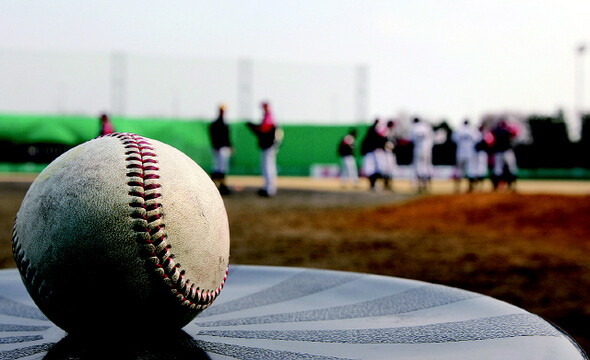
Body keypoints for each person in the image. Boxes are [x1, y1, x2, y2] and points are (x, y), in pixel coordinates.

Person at [247, 102, 279, 197]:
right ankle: (267, 187)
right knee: (266, 167)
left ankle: (269, 189)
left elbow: (263, 129)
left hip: (268, 146)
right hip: (266, 146)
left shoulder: (269, 117)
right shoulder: (267, 117)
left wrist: (253, 127)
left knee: (268, 167)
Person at [451, 119, 481, 192]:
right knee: (471, 171)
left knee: (459, 171)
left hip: (460, 153)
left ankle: (457, 188)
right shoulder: (473, 130)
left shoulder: (458, 129)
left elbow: (453, 139)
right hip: (470, 153)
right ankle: (471, 187)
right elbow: (479, 139)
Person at [209, 104, 232, 195]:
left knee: (221, 167)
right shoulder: (217, 124)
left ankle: (220, 185)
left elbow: (227, 137)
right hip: (219, 148)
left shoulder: (223, 124)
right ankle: (217, 185)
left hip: (223, 147)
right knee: (219, 167)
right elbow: (213, 135)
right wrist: (215, 145)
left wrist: (230, 146)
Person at [490, 119, 519, 190]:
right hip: (507, 152)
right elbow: (514, 134)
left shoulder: (494, 131)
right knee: (511, 168)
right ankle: (512, 186)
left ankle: (496, 186)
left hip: (498, 152)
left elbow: (490, 141)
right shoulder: (507, 130)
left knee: (498, 169)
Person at [408, 117, 434, 193]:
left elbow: (410, 140)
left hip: (418, 150)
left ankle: (420, 186)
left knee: (418, 167)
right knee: (427, 166)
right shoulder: (427, 127)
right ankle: (427, 185)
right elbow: (432, 138)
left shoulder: (413, 128)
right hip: (427, 150)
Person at [360, 119, 386, 191]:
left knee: (377, 170)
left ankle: (374, 184)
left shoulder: (377, 134)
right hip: (370, 153)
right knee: (370, 170)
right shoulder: (371, 133)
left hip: (376, 152)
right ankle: (372, 184)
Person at [382, 120, 398, 191]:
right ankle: (385, 184)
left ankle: (390, 184)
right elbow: (383, 141)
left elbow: (395, 142)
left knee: (391, 169)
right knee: (386, 169)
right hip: (386, 152)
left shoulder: (393, 132)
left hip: (391, 153)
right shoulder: (386, 131)